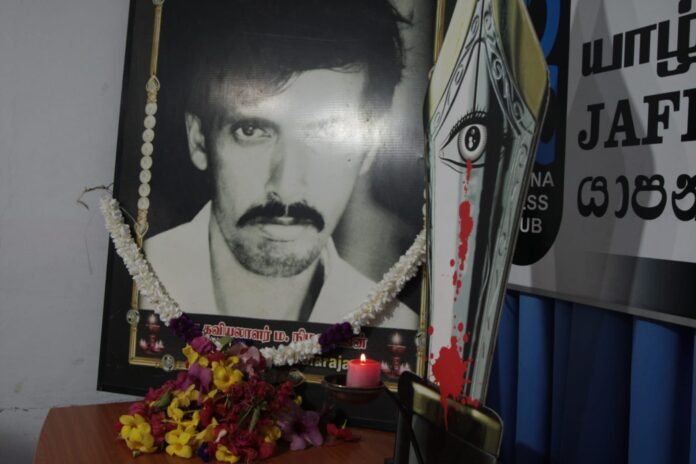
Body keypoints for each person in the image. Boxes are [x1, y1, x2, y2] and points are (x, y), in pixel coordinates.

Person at [144, 0, 420, 329]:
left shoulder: (393, 328)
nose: (286, 188)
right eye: (251, 130)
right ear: (199, 139)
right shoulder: (136, 289)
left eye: (328, 134)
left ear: (370, 147)